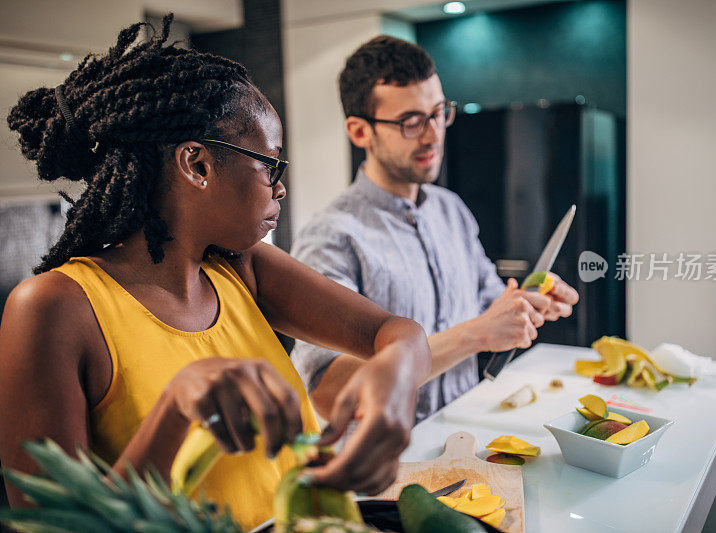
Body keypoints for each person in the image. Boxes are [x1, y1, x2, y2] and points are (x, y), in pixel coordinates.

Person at [0, 18, 431, 530]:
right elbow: (54, 524)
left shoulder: (240, 268)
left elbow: (395, 332)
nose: (281, 188)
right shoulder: (55, 307)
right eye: (270, 164)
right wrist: (176, 408)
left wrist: (398, 375)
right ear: (197, 165)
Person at [291, 36, 579, 423]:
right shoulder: (332, 236)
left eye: (439, 112)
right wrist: (474, 335)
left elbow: (489, 306)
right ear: (361, 132)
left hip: (464, 437)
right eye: (411, 122)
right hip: (384, 466)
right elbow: (329, 393)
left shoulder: (451, 211)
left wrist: (528, 299)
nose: (433, 134)